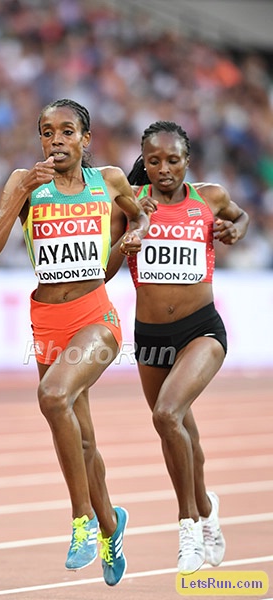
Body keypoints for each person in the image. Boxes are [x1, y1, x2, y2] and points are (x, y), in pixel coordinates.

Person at [0, 98, 149, 586]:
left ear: (85, 139)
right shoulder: (22, 183)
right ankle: (113, 524)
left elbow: (141, 218)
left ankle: (82, 522)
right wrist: (18, 198)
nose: (56, 140)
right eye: (47, 132)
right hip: (46, 320)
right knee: (83, 436)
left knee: (53, 396)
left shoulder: (109, 180)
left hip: (96, 316)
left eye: (67, 131)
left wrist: (128, 242)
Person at [108, 120, 249, 575]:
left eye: (172, 160)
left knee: (167, 414)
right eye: (154, 161)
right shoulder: (130, 205)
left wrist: (235, 232)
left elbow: (240, 217)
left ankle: (188, 525)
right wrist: (128, 237)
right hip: (149, 338)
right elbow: (107, 269)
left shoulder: (209, 198)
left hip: (201, 330)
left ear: (187, 161)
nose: (163, 169)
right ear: (144, 162)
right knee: (180, 429)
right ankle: (207, 507)